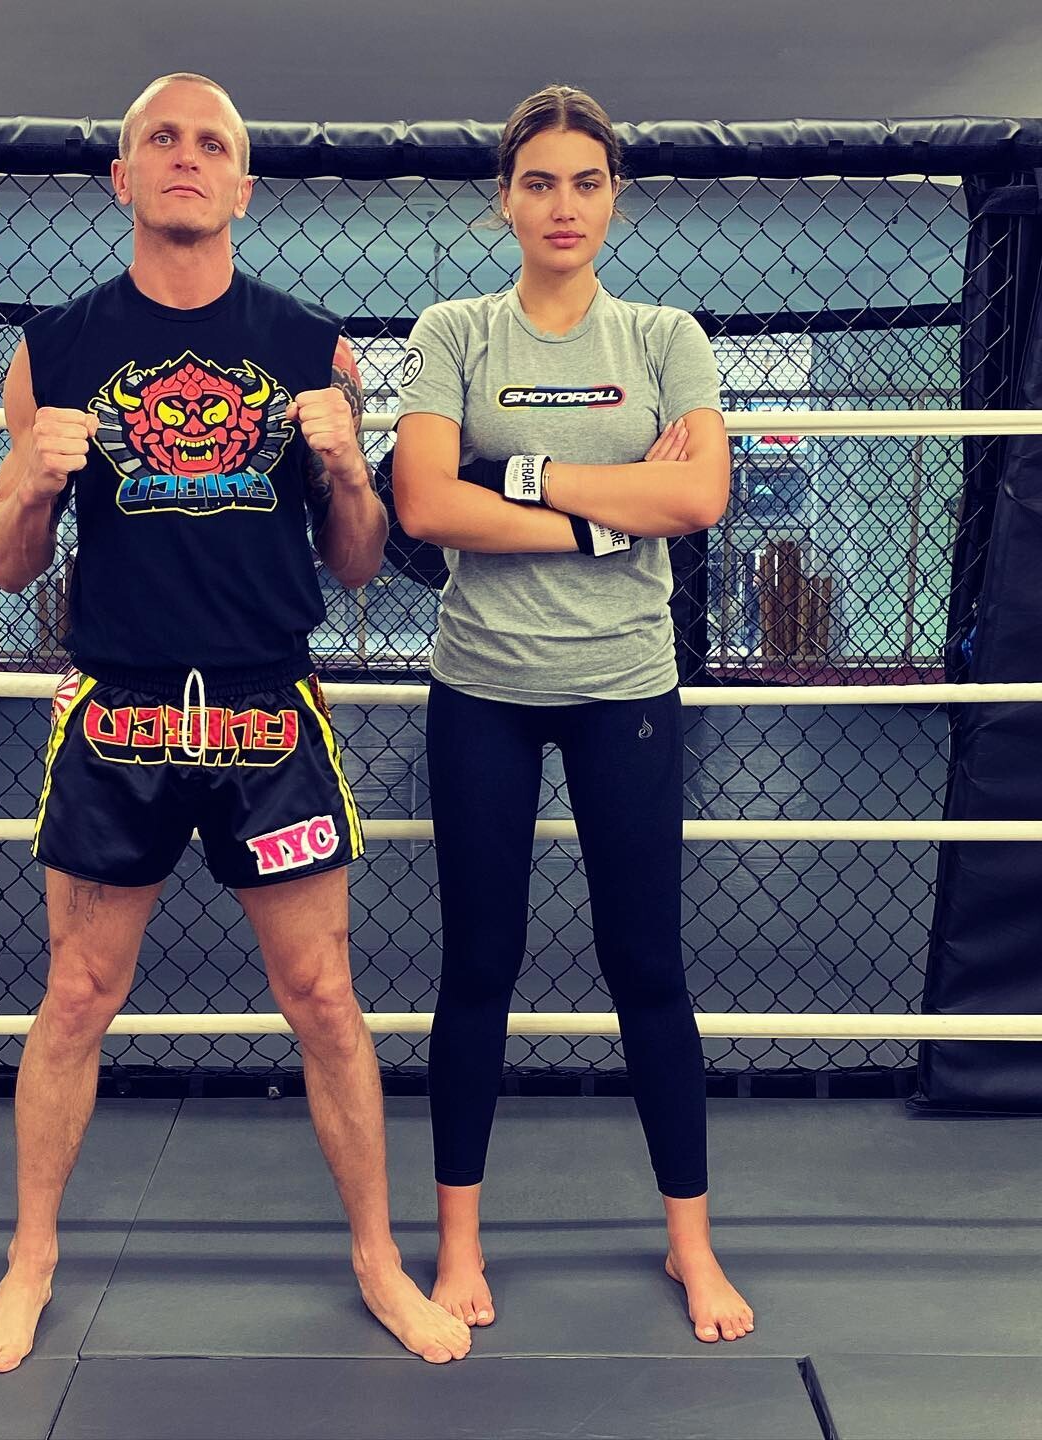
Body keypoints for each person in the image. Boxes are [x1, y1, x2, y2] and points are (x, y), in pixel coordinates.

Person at [0, 72, 471, 1373]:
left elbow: (358, 563)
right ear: (123, 177)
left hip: (266, 711)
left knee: (325, 996)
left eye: (211, 144)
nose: (185, 157)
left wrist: (347, 470)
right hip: (118, 711)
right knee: (78, 993)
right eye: (161, 139)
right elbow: (8, 565)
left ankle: (378, 1261)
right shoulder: (53, 349)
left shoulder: (315, 349)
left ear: (243, 185)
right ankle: (30, 1261)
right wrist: (32, 484)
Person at [392, 84, 755, 1345]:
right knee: (478, 968)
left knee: (647, 965)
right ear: (505, 198)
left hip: (625, 687)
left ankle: (691, 1245)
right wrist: (609, 510)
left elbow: (698, 498)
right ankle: (458, 1244)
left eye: (585, 182)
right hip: (482, 687)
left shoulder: (663, 338)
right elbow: (426, 504)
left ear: (614, 200)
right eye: (539, 181)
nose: (563, 204)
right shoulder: (455, 331)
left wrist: (522, 476)